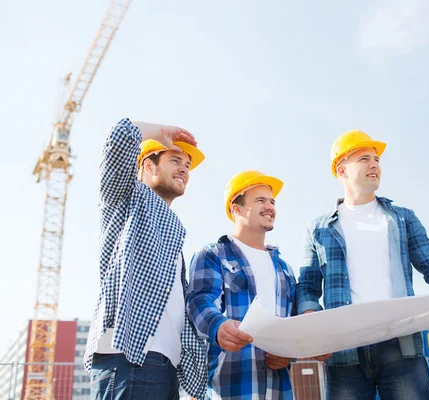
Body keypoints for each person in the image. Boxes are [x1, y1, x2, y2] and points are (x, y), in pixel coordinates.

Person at [296, 130, 429, 400]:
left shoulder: (402, 218)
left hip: (401, 346)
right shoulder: (319, 228)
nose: (375, 164)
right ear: (341, 170)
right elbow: (307, 286)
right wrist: (311, 321)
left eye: (376, 159)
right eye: (364, 158)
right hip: (345, 350)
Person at [84, 118, 208, 400]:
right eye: (175, 160)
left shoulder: (173, 229)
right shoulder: (126, 202)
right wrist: (159, 133)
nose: (184, 170)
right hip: (129, 360)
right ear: (148, 166)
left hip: (165, 368)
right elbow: (118, 138)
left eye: (187, 166)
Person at [187, 170, 296, 399]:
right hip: (230, 387)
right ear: (236, 209)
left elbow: (293, 325)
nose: (269, 206)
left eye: (272, 201)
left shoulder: (284, 269)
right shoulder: (213, 254)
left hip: (279, 389)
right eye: (260, 201)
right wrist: (217, 325)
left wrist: (289, 353)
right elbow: (200, 300)